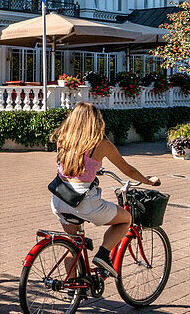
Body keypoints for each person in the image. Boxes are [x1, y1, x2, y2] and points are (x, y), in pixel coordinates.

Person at [50, 103, 160, 277]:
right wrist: (148, 181)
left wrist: (92, 169)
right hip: (83, 202)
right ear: (95, 121)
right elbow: (128, 170)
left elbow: (73, 165)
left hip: (60, 199)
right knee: (126, 219)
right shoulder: (101, 143)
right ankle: (103, 254)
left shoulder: (65, 138)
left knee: (74, 243)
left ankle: (72, 289)